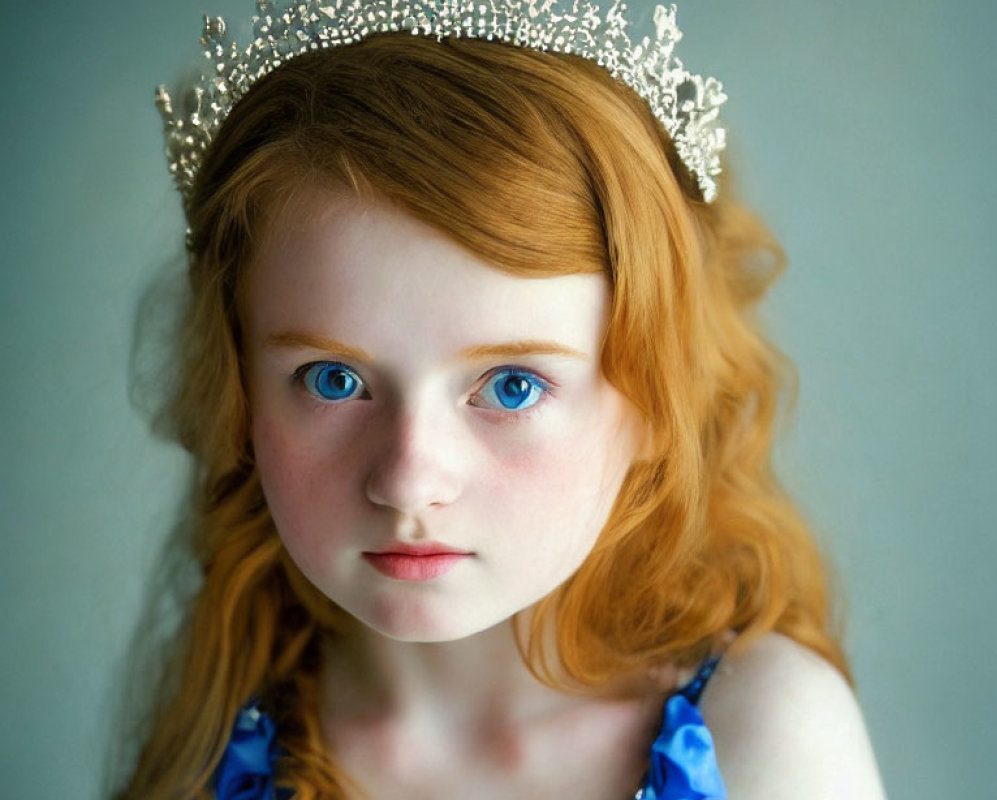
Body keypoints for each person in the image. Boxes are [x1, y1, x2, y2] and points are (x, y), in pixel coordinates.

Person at [117, 1, 885, 797]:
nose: (410, 480)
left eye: (512, 387)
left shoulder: (760, 738)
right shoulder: (222, 741)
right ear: (240, 392)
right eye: (333, 380)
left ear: (655, 401)